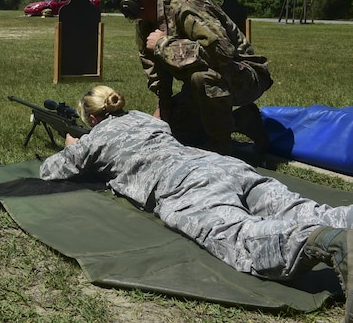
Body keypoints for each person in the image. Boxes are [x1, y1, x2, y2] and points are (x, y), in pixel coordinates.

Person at [40, 85, 353, 322]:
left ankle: (327, 243)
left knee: (237, 235)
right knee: (302, 210)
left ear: (92, 118)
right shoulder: (146, 120)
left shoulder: (95, 139)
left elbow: (50, 171)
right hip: (222, 165)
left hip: (184, 184)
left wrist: (74, 145)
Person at [108, 0, 273, 154]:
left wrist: (163, 44)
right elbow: (155, 71)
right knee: (179, 136)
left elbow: (222, 53)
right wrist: (164, 110)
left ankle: (220, 146)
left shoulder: (187, 6)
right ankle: (242, 119)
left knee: (202, 76)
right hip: (201, 87)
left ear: (128, 3)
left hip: (244, 76)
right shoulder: (144, 21)